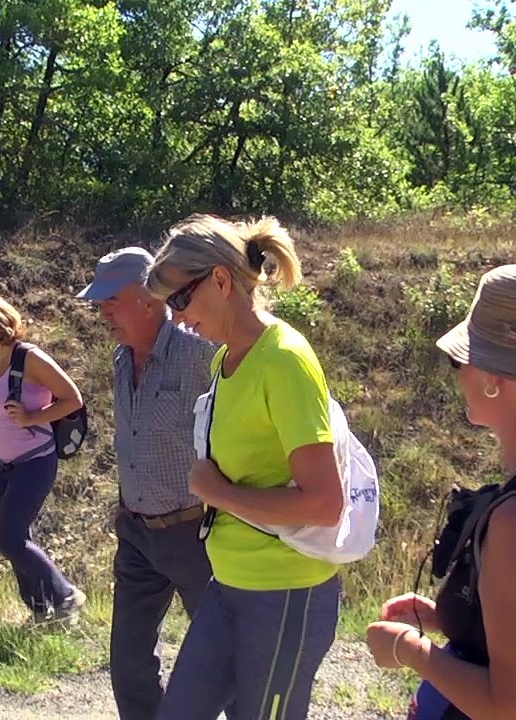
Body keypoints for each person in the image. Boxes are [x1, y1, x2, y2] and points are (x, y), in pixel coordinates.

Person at [365, 264, 516, 720]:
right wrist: (461, 616)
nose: (456, 376)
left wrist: (412, 651)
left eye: (459, 361)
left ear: (495, 377)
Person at [144, 213, 344, 720]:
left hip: (285, 593)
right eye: (168, 306)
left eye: (179, 300)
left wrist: (217, 491)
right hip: (230, 585)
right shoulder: (225, 360)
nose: (177, 318)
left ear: (219, 279)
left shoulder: (284, 359)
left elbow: (325, 504)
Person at [74, 246, 217, 720]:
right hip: (136, 535)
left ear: (150, 297)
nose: (102, 313)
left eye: (111, 301)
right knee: (129, 664)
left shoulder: (201, 353)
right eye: (99, 304)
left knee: (222, 659)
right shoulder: (119, 360)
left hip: (195, 533)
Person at [0, 292, 87, 623]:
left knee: (9, 538)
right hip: (2, 464)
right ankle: (42, 612)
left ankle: (65, 596)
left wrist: (33, 417)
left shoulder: (30, 358)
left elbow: (73, 399)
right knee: (17, 538)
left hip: (35, 461)